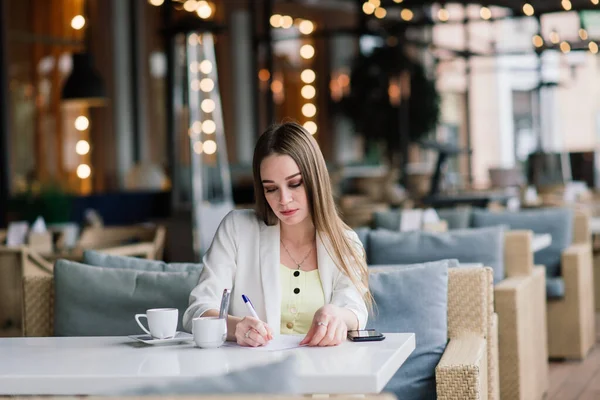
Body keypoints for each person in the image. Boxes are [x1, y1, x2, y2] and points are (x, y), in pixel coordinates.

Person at [183, 122, 371, 347]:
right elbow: (197, 310)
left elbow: (354, 309)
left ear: (315, 180)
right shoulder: (237, 230)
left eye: (295, 184)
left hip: (323, 371)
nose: (283, 200)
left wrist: (337, 316)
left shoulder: (346, 242)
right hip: (251, 372)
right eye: (271, 188)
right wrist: (235, 327)